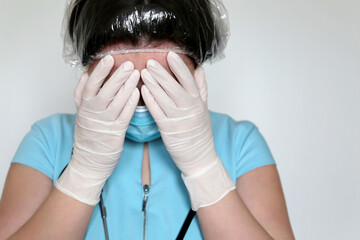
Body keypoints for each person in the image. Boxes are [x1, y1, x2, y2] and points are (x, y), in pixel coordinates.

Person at [0, 0, 295, 239]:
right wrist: (82, 174)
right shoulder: (47, 139)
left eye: (161, 82)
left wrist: (204, 169)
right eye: (120, 82)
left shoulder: (241, 142)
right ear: (87, 71)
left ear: (196, 69)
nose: (142, 102)